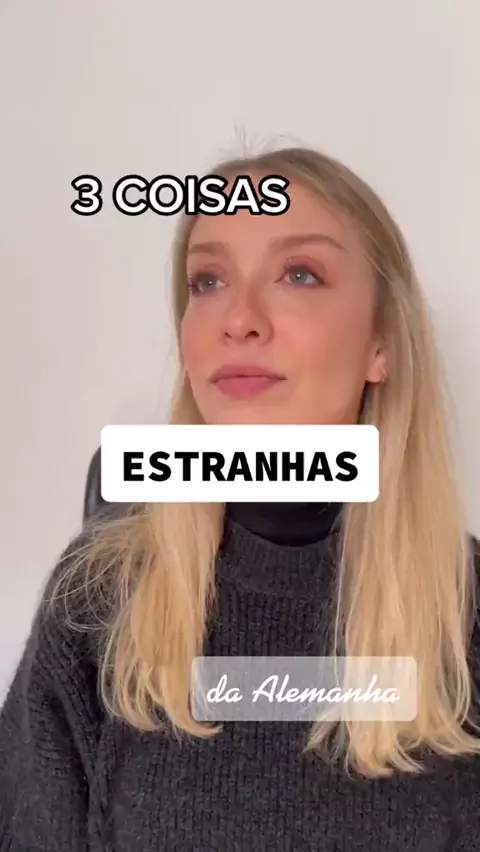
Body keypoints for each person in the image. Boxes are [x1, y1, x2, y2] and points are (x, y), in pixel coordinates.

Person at [1, 146, 480, 852]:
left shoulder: (466, 612)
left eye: (300, 273)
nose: (239, 319)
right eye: (209, 280)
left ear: (380, 342)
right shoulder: (96, 602)